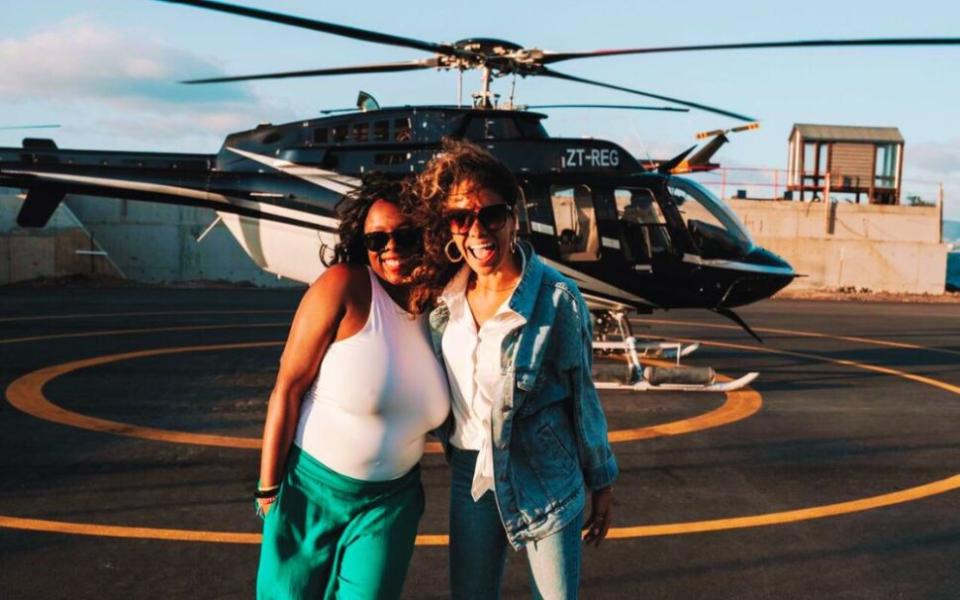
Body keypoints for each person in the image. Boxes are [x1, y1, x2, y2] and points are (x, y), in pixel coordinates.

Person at [410, 140, 618, 599]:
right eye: (461, 218)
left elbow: (583, 396)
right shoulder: (443, 302)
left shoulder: (557, 299)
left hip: (544, 472)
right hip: (472, 474)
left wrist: (601, 480)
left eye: (492, 215)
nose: (477, 230)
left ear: (514, 219)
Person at [254, 176, 450, 600]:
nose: (391, 248)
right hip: (310, 494)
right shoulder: (345, 285)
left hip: (390, 505)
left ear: (428, 235)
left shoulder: (442, 304)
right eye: (377, 240)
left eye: (405, 235)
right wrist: (269, 491)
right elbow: (287, 386)